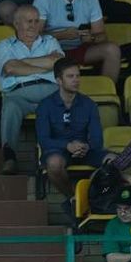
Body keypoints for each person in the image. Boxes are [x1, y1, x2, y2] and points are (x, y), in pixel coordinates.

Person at [0, 5, 61, 174]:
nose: (33, 25)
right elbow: (10, 68)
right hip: (19, 94)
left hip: (50, 92)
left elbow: (58, 63)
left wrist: (24, 62)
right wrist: (44, 66)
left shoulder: (50, 41)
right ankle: (10, 158)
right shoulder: (5, 45)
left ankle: (53, 157)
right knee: (9, 107)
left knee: (66, 102)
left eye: (36, 21)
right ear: (16, 24)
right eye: (28, 21)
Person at [36, 58, 111, 202]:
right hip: (57, 151)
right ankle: (74, 198)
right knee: (54, 164)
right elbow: (44, 140)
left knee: (114, 161)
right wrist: (67, 146)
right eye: (70, 76)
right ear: (59, 80)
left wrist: (86, 147)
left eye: (78, 76)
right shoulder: (45, 105)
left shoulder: (89, 104)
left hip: (85, 150)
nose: (76, 80)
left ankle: (96, 199)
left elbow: (97, 139)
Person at [34, 0, 122, 79]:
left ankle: (107, 93)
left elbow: (101, 35)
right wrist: (62, 35)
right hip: (52, 50)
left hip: (80, 48)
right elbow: (34, 36)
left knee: (112, 49)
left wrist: (91, 38)